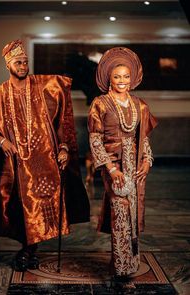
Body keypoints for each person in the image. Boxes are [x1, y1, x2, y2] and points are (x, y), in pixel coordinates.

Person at [0, 40, 89, 271]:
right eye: (18, 62)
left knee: (43, 207)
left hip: (45, 161)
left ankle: (28, 251)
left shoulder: (44, 88)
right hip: (16, 163)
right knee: (16, 207)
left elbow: (60, 124)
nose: (23, 66)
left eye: (25, 62)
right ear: (8, 65)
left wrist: (63, 148)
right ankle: (27, 249)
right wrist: (3, 140)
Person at [88, 47, 158, 278]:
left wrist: (147, 162)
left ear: (133, 78)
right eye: (117, 76)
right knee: (120, 213)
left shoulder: (140, 105)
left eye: (126, 76)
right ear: (109, 77)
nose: (122, 81)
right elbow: (95, 140)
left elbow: (143, 138)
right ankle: (120, 266)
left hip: (136, 167)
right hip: (114, 166)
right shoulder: (100, 103)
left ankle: (131, 262)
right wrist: (110, 169)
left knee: (134, 216)